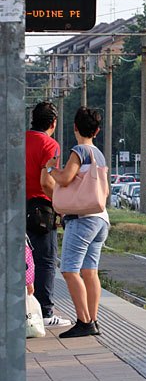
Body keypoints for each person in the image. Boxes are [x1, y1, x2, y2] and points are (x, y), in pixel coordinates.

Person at [46, 107, 109, 338]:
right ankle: (94, 319)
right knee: (90, 271)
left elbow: (65, 178)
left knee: (69, 270)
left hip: (82, 219)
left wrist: (50, 168)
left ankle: (84, 321)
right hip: (100, 219)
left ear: (75, 127)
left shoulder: (79, 151)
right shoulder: (98, 154)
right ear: (97, 131)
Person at [25, 101, 71, 328]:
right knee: (45, 261)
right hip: (41, 209)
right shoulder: (50, 145)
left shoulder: (18, 140)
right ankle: (44, 312)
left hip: (17, 206)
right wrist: (60, 205)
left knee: (21, 260)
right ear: (53, 123)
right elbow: (46, 182)